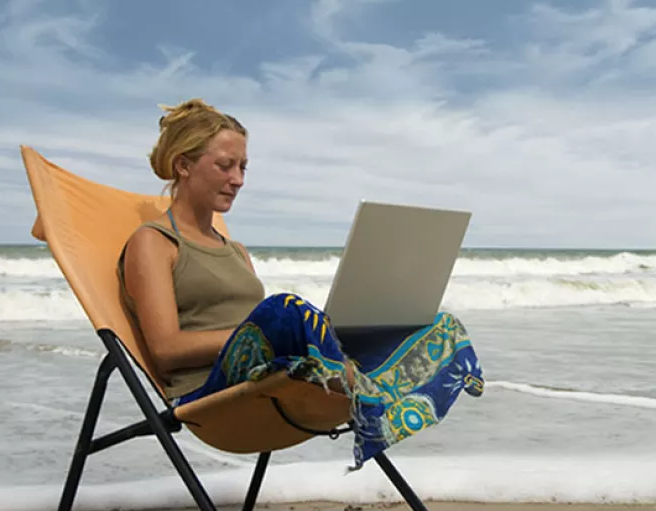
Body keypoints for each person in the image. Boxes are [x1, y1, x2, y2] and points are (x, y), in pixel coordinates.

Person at [117, 98, 484, 469]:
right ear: (183, 165)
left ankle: (362, 381)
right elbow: (165, 349)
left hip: (274, 379)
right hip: (213, 397)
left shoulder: (236, 251)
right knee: (285, 311)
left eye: (243, 167)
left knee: (434, 324)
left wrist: (308, 332)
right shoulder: (154, 242)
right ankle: (372, 389)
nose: (238, 180)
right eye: (225, 166)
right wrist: (264, 332)